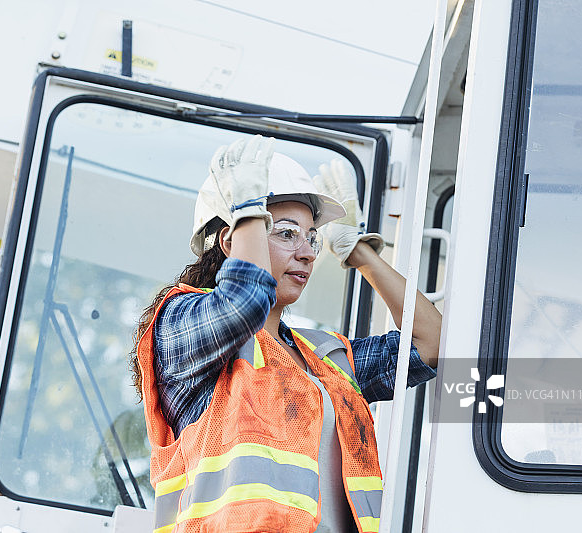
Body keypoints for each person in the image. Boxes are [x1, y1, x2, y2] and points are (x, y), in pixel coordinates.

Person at [130, 135, 441, 533]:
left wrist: (357, 251)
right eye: (286, 233)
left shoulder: (326, 360)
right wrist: (248, 214)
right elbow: (244, 301)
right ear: (230, 239)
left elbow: (430, 344)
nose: (309, 252)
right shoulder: (182, 326)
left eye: (311, 237)